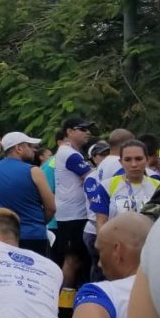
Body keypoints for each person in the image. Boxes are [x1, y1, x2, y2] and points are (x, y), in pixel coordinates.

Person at [0, 131, 55, 256]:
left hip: (2, 236)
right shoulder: (33, 171)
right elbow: (51, 207)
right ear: (19, 148)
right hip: (33, 235)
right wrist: (38, 222)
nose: (34, 150)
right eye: (30, 146)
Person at [54, 115, 96, 288]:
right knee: (73, 261)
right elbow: (91, 176)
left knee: (77, 260)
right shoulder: (69, 154)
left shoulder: (72, 152)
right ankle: (63, 306)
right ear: (69, 132)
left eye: (88, 129)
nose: (87, 133)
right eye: (83, 129)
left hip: (73, 214)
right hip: (73, 216)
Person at [90, 139, 160, 233]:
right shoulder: (106, 186)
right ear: (120, 162)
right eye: (127, 159)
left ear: (146, 159)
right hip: (120, 245)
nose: (134, 164)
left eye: (139, 159)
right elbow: (101, 226)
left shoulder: (159, 187)